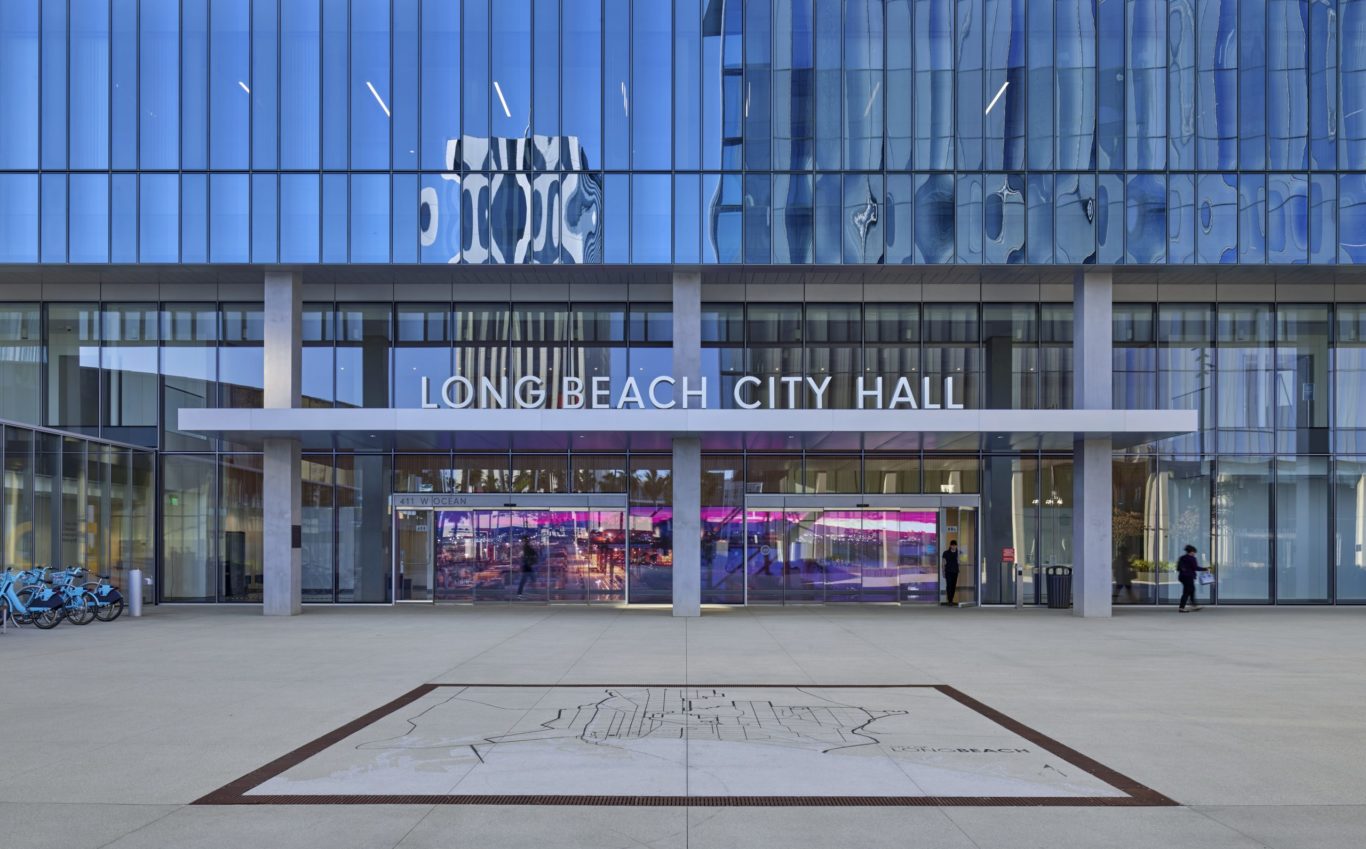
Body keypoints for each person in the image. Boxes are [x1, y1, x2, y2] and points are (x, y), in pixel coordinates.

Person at [1176, 544, 1208, 612]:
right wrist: (1205, 569)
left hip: (1182, 577)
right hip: (1189, 577)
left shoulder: (1182, 558)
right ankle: (1182, 608)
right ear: (1191, 552)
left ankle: (1194, 605)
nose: (1194, 554)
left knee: (1191, 590)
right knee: (1187, 592)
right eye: (1194, 552)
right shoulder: (1192, 558)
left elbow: (1178, 568)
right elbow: (1196, 568)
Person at [942, 540, 960, 606]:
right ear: (950, 545)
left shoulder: (958, 553)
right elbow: (943, 563)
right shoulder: (946, 553)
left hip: (955, 572)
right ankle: (949, 600)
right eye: (952, 545)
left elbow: (960, 561)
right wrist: (943, 572)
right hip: (948, 571)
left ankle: (951, 599)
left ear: (956, 546)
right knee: (949, 585)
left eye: (955, 545)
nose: (953, 546)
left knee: (953, 586)